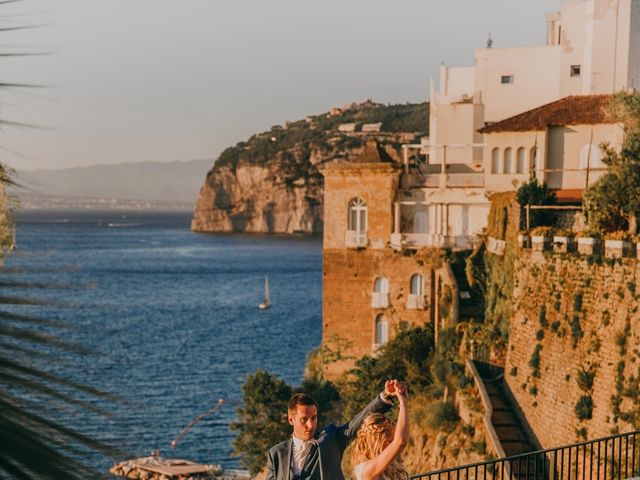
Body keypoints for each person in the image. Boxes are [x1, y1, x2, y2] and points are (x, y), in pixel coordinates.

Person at [265, 380, 404, 480]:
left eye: (314, 418)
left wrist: (385, 396)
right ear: (291, 420)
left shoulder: (330, 439)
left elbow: (357, 422)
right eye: (304, 420)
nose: (311, 425)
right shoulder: (276, 454)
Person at [351, 381, 409, 480]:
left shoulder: (390, 465)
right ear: (376, 441)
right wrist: (403, 405)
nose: (393, 444)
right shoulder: (365, 470)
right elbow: (400, 442)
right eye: (390, 441)